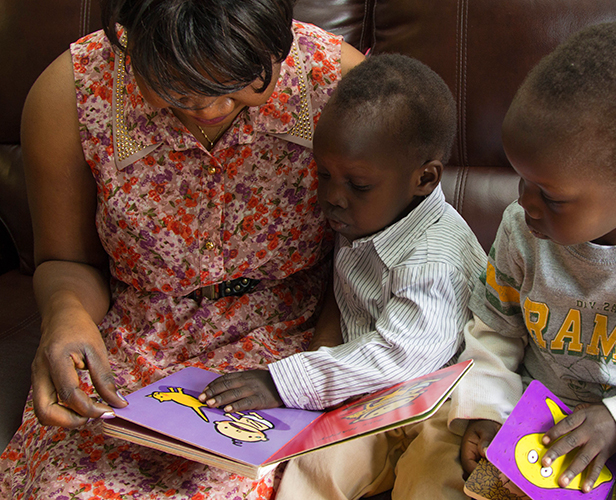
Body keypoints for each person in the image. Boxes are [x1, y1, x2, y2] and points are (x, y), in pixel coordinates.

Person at [0, 0, 365, 498]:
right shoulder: (70, 95)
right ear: (130, 38)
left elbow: (371, 257)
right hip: (134, 345)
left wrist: (325, 366)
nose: (212, 109)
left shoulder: (340, 84)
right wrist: (65, 315)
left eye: (239, 86)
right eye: (179, 89)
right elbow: (67, 261)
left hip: (290, 344)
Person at [413, 22, 616, 499]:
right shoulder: (520, 232)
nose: (524, 202)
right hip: (523, 420)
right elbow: (494, 330)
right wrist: (488, 409)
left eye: (550, 195)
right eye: (521, 180)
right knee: (426, 475)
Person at [198, 54, 487, 499]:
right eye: (323, 174)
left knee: (430, 485)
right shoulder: (368, 216)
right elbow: (346, 303)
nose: (332, 197)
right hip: (368, 403)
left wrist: (282, 381)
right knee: (309, 472)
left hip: (440, 411)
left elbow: (402, 358)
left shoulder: (434, 258)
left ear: (424, 179)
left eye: (358, 185)